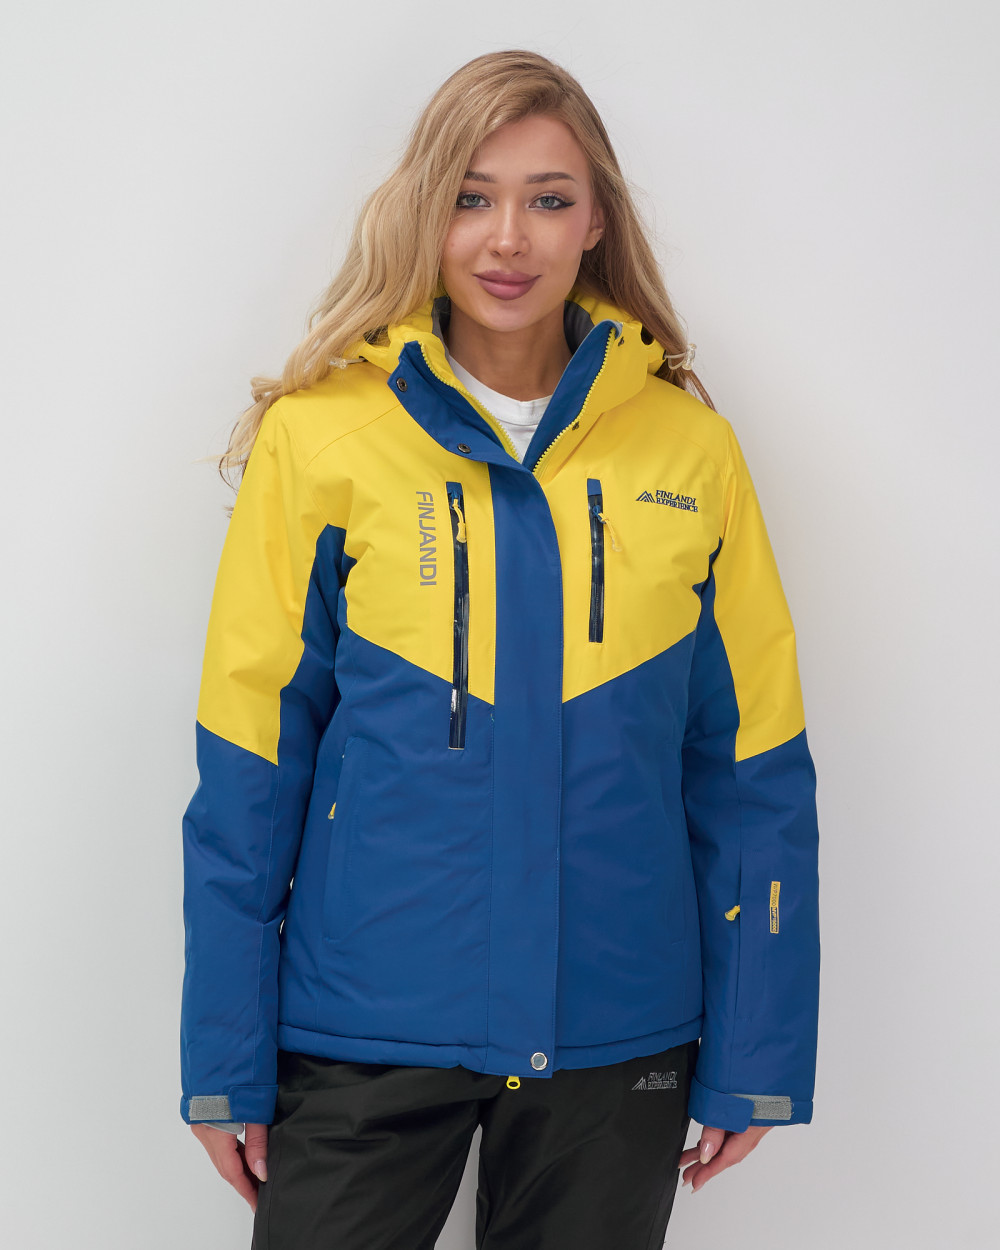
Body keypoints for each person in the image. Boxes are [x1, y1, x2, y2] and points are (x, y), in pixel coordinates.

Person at [179, 48, 821, 1249]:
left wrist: (758, 1050)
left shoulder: (689, 451)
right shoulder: (321, 440)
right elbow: (248, 770)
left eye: (548, 198)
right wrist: (224, 1058)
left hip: (615, 1028)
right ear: (425, 211)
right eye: (471, 197)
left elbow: (752, 775)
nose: (507, 238)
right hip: (368, 1021)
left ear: (596, 221)